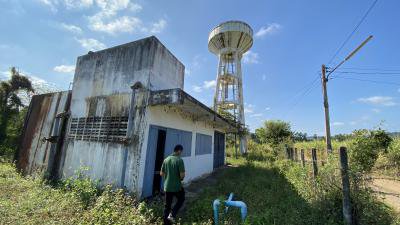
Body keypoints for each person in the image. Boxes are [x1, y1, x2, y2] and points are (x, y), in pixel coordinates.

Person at [160, 144, 186, 224]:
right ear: (179, 151)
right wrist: (180, 178)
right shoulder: (179, 160)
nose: (181, 153)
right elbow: (182, 175)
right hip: (176, 186)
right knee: (181, 199)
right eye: (181, 151)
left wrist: (168, 178)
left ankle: (166, 222)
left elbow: (161, 173)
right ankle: (172, 215)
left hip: (167, 186)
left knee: (167, 205)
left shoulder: (166, 159)